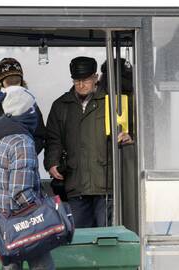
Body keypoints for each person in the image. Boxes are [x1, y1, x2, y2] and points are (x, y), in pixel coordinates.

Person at [0, 62, 55, 269]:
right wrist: (46, 211)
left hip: (3, 224)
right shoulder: (22, 141)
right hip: (20, 224)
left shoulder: (2, 138)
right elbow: (20, 191)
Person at [44, 56, 132, 228]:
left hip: (106, 184)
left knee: (106, 237)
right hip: (75, 182)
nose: (81, 84)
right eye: (77, 80)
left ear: (96, 77)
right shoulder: (61, 105)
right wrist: (52, 162)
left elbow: (130, 128)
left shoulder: (112, 102)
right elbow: (53, 139)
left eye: (85, 80)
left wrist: (129, 137)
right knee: (79, 238)